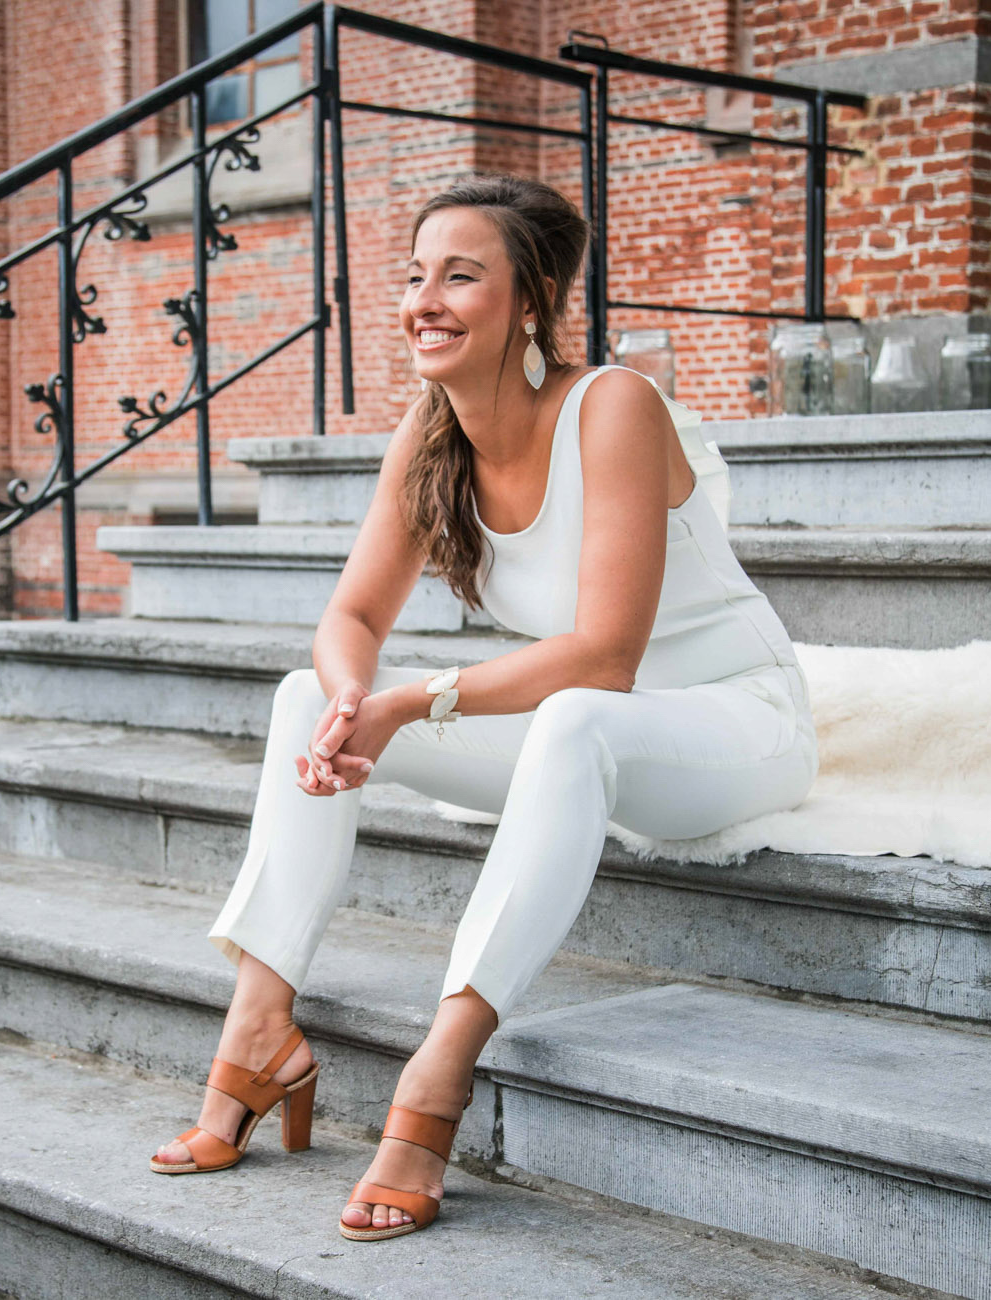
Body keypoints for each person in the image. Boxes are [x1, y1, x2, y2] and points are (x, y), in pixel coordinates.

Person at [147, 172, 819, 1241]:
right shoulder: (430, 434)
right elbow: (349, 616)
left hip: (730, 723)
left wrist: (413, 702)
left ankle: (440, 1073)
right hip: (579, 740)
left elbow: (605, 657)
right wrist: (352, 699)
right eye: (416, 275)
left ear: (531, 297)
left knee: (576, 715)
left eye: (461, 277)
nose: (426, 300)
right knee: (301, 697)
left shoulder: (613, 405)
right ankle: (259, 1028)